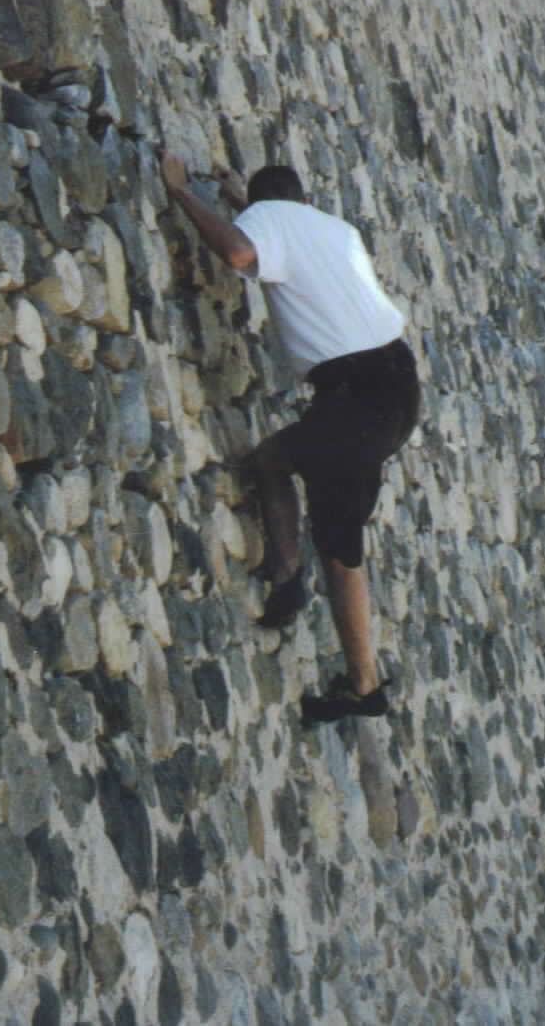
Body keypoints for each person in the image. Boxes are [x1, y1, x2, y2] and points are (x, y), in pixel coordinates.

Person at [159, 151, 420, 724]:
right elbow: (279, 234)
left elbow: (236, 251)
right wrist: (242, 202)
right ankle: (308, 609)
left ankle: (343, 656)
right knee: (295, 485)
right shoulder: (333, 227)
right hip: (398, 384)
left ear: (265, 203)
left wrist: (183, 194)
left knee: (316, 517)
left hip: (355, 396)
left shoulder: (268, 220)